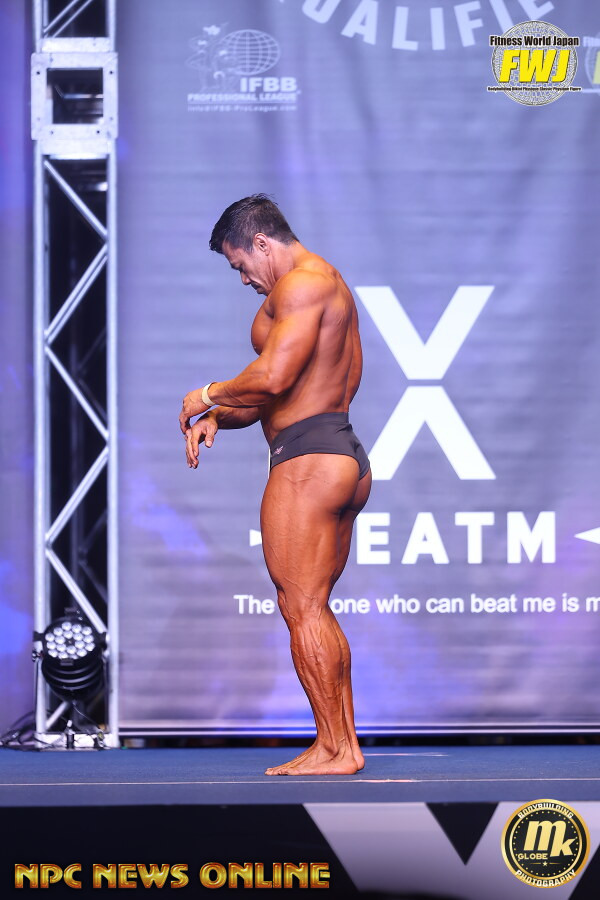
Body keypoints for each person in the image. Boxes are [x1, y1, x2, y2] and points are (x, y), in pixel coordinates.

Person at [179, 194, 372, 775]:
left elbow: (274, 375)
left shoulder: (304, 283)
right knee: (313, 607)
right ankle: (342, 745)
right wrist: (221, 415)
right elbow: (275, 393)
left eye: (240, 264)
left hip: (309, 461)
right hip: (337, 451)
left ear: (261, 243)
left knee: (301, 607)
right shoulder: (322, 285)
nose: (243, 279)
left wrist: (206, 394)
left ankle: (334, 750)